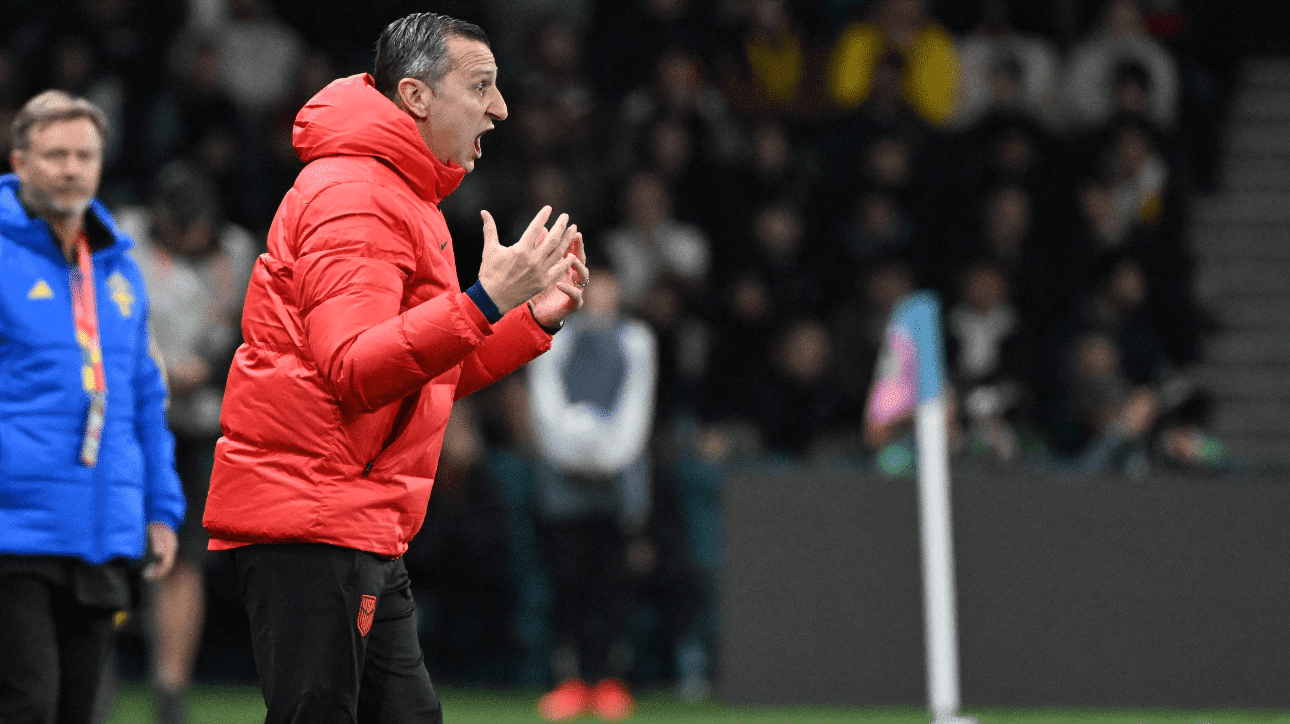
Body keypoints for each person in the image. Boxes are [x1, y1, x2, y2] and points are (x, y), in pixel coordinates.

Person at [201, 13, 588, 724]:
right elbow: (354, 370)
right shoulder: (356, 197)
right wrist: (485, 299)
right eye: (482, 87)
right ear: (415, 96)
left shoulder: (396, 195)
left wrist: (531, 318)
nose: (500, 109)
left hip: (352, 520)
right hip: (316, 518)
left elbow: (421, 378)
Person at [0, 90, 184, 724]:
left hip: (100, 527)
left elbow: (143, 399)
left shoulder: (117, 269)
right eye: (55, 155)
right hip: (13, 530)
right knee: (28, 705)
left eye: (84, 154)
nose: (71, 168)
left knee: (80, 711)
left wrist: (161, 509)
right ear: (19, 162)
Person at [116, 160, 258, 724]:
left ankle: (170, 692)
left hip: (199, 423)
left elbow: (247, 326)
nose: (197, 234)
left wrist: (212, 366)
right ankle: (91, 663)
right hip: (126, 417)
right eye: (186, 225)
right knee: (110, 548)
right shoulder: (122, 238)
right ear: (161, 217)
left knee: (185, 561)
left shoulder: (235, 252)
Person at [526, 263, 657, 720]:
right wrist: (577, 449)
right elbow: (546, 411)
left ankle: (609, 681)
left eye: (607, 289)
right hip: (563, 490)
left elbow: (635, 414)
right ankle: (571, 680)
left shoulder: (637, 340)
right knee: (568, 586)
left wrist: (605, 455)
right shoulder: (554, 338)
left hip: (617, 487)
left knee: (612, 589)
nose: (599, 297)